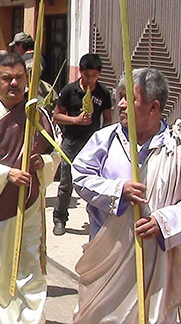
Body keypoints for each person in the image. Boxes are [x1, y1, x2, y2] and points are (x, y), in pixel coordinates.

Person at [72, 68, 181, 323]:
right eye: (119, 96)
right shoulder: (104, 139)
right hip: (108, 257)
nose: (120, 104)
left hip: (156, 263)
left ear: (154, 107)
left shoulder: (174, 148)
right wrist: (117, 190)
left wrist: (164, 221)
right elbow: (80, 176)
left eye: (129, 98)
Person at [0, 52, 60, 323]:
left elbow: (55, 153)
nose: (14, 84)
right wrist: (6, 174)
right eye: (7, 78)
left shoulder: (37, 114)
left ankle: (30, 319)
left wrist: (44, 162)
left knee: (30, 268)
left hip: (29, 206)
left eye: (19, 77)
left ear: (28, 79)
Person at [51, 53, 113, 236]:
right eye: (87, 75)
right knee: (66, 182)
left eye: (94, 76)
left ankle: (95, 220)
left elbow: (108, 119)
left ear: (99, 74)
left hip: (93, 144)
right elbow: (56, 116)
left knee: (94, 183)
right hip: (71, 141)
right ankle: (59, 218)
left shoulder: (103, 93)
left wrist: (104, 140)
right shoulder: (69, 91)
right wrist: (75, 120)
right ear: (80, 72)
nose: (90, 80)